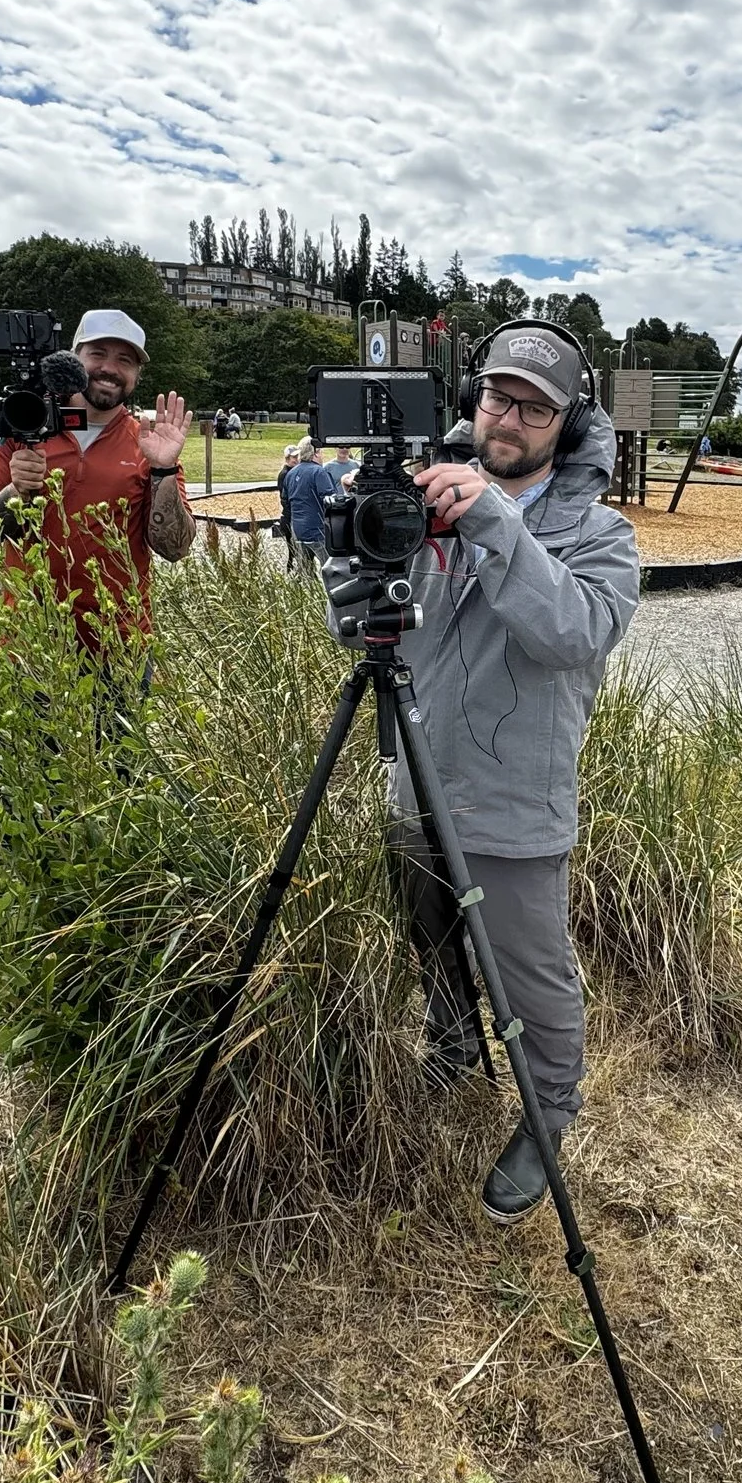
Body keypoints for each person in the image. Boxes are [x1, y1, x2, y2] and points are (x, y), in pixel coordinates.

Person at [364, 324, 639, 1225]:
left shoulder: (601, 533)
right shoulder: (425, 501)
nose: (507, 418)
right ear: (472, 398)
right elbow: (370, 627)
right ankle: (451, 1041)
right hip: (417, 777)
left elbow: (571, 633)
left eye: (533, 406)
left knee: (535, 974)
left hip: (516, 795)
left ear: (567, 421)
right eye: (496, 397)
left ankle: (550, 1109)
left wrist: (490, 519)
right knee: (429, 935)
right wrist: (358, 556)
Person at [0, 309, 194, 642]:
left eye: (125, 360)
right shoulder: (19, 424)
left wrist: (164, 469)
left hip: (120, 645)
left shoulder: (148, 445)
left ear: (137, 374)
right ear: (72, 360)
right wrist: (14, 494)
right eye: (97, 353)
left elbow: (175, 548)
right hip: (31, 646)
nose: (110, 369)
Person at [278, 439, 337, 572]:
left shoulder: (290, 473)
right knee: (330, 571)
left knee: (305, 572)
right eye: (321, 452)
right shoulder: (319, 472)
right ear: (315, 453)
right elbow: (331, 501)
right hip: (319, 530)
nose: (322, 456)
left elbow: (285, 500)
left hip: (298, 530)